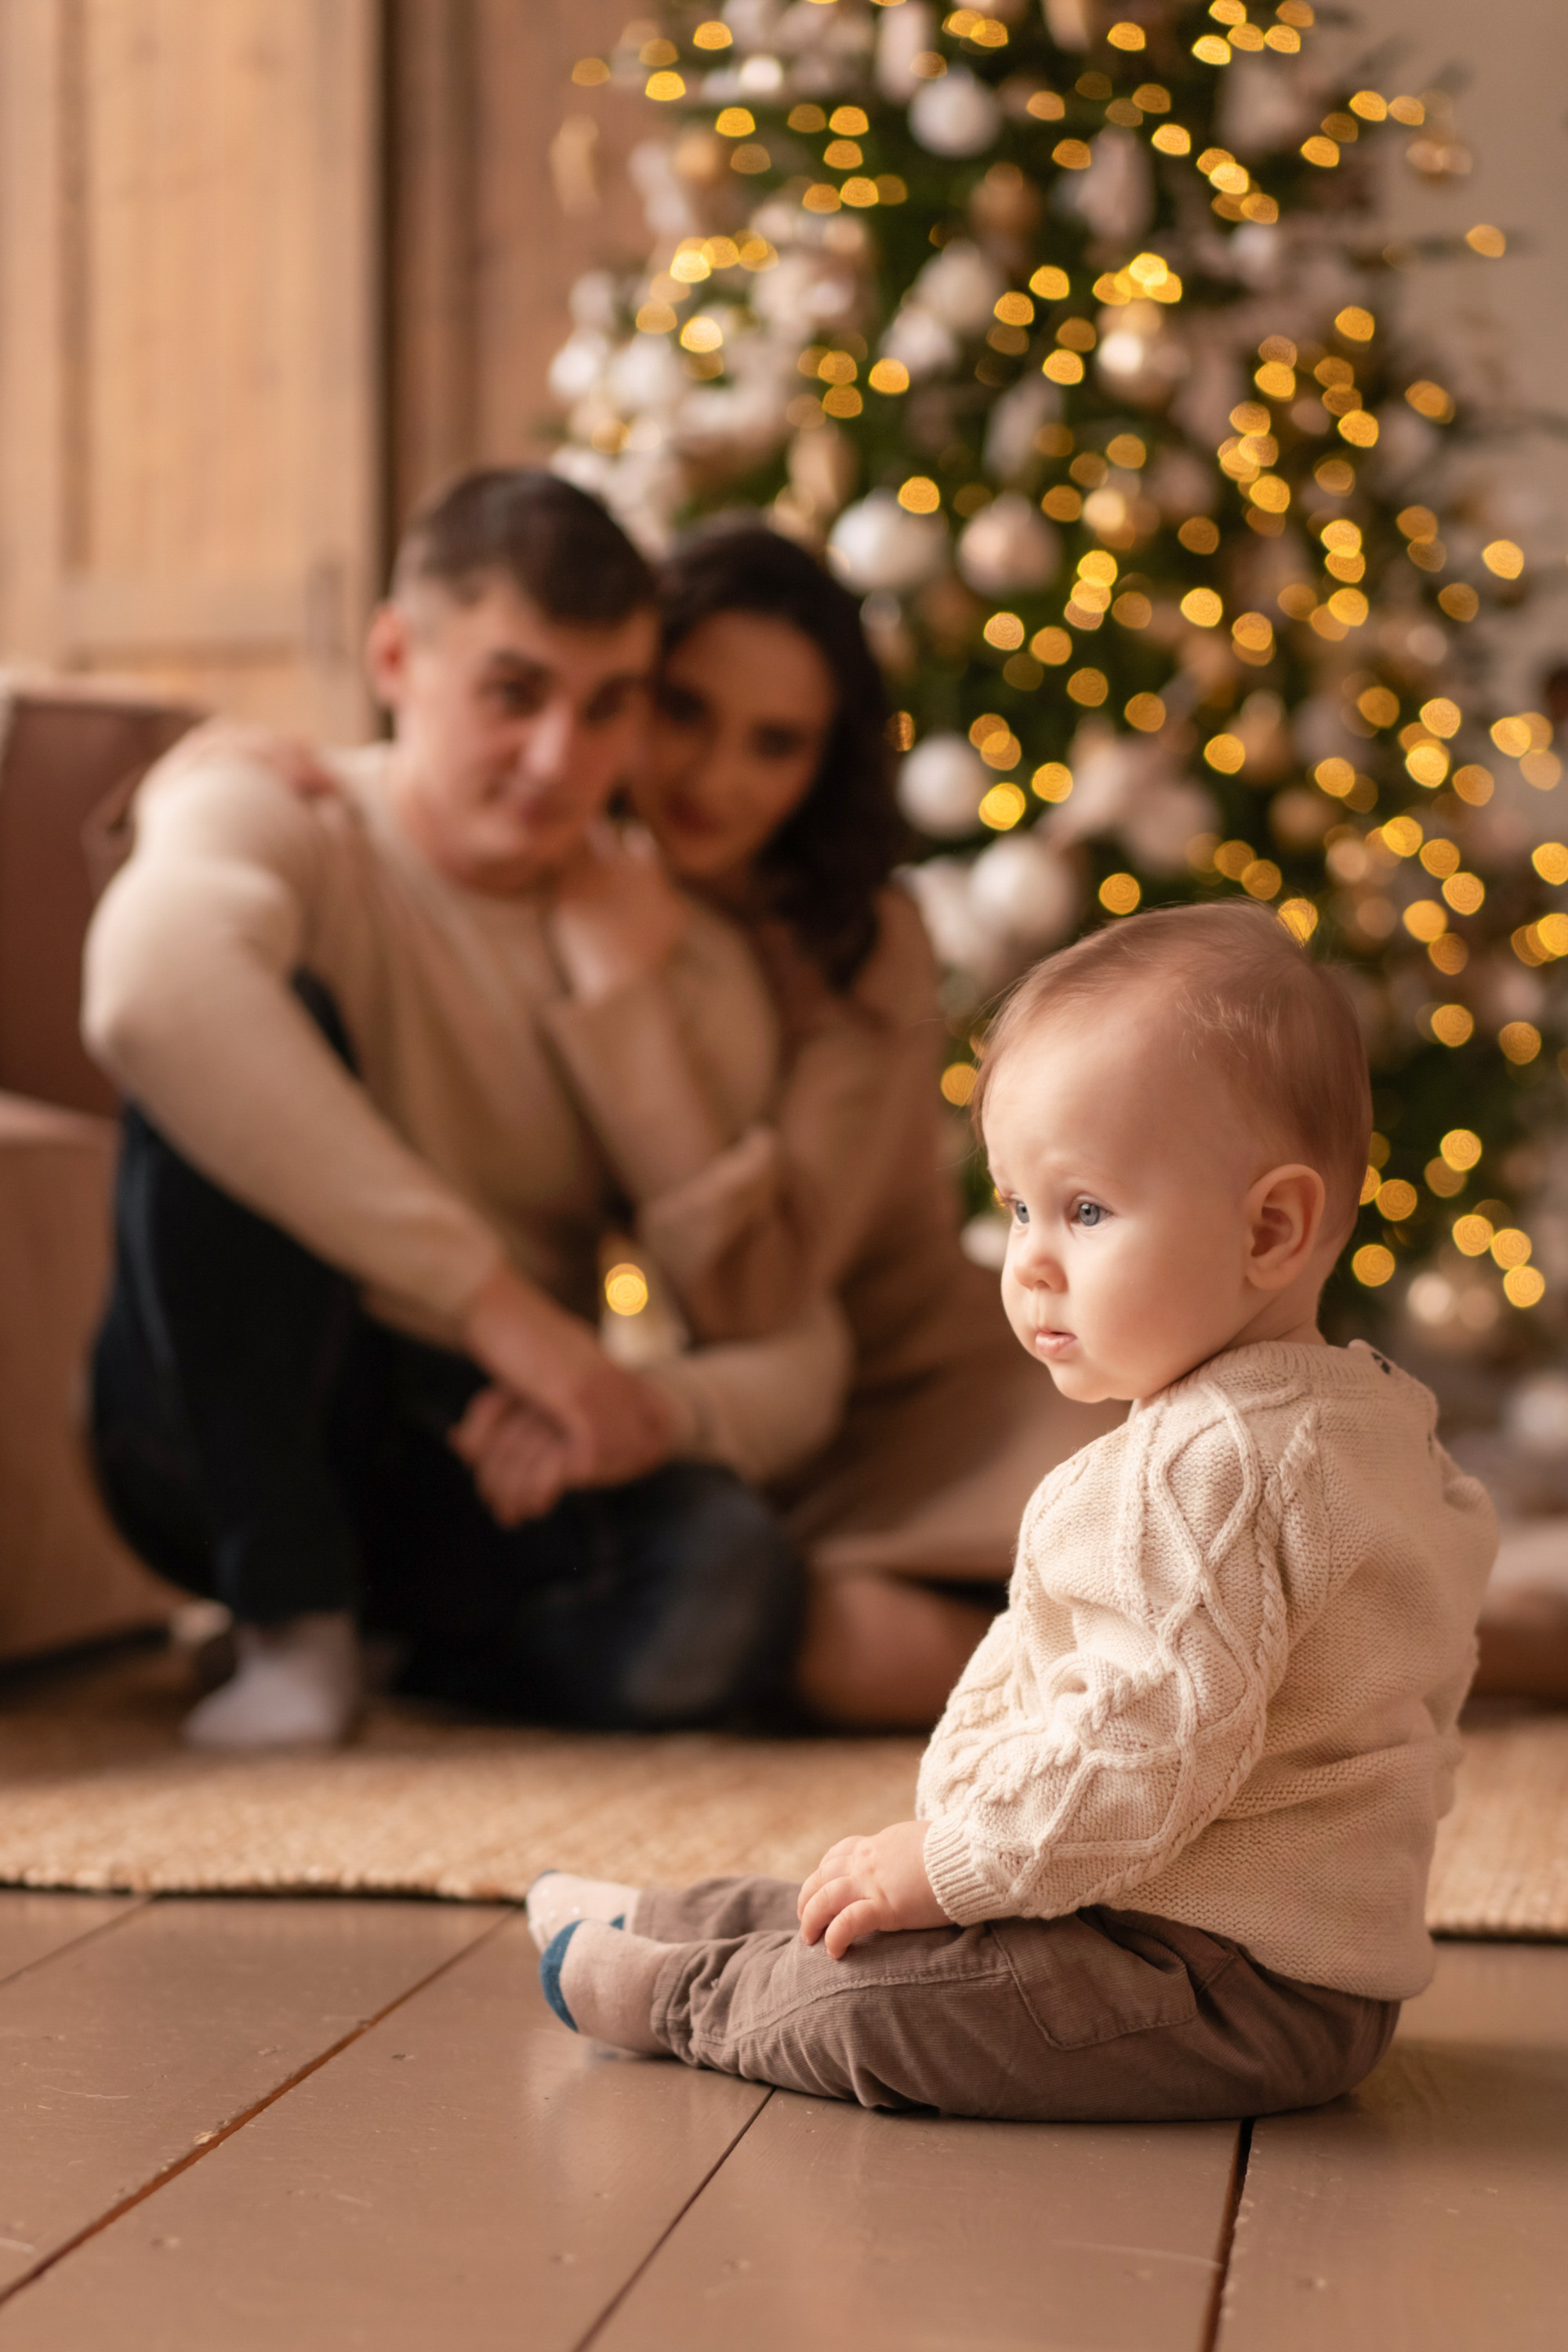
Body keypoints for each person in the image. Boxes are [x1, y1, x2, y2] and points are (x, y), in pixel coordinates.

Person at [523, 904, 1498, 2122]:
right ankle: (689, 1921)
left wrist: (948, 1863)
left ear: (1270, 1229)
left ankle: (682, 1995)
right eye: (1016, 1208)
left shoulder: (1212, 1468)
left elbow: (1139, 1763)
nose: (1031, 1261)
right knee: (864, 1904)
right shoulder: (1368, 1423)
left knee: (878, 2001)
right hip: (1246, 1947)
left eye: (1085, 1211)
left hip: (1219, 1985)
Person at [82, 471, 845, 1750]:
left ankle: (400, 1645)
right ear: (396, 655)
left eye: (608, 706)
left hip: (475, 1455)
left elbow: (795, 1347)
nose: (562, 761)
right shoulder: (278, 807)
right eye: (513, 692)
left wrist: (647, 1412)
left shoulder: (679, 958)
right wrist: (507, 1315)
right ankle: (291, 1614)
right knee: (233, 1049)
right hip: (214, 1428)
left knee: (733, 1589)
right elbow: (148, 997)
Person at [474, 524, 1122, 1726]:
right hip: (711, 1425)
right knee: (808, 1637)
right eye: (685, 712)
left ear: (824, 764)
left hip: (922, 1398)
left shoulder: (861, 941)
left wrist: (623, 997)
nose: (714, 778)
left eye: (774, 743)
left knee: (1274, 1609)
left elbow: (760, 1291)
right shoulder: (539, 865)